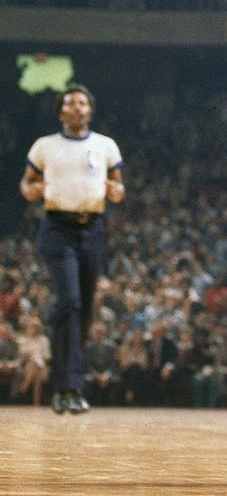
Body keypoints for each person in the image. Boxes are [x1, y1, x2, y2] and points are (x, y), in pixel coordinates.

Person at [19, 84, 124, 415]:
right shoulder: (45, 146)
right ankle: (70, 386)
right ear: (61, 111)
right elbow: (26, 183)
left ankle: (66, 389)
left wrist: (116, 191)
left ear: (90, 110)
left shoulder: (104, 145)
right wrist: (31, 190)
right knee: (70, 302)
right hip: (57, 228)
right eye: (71, 103)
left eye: (82, 103)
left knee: (81, 311)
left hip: (92, 227)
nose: (77, 108)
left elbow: (118, 187)